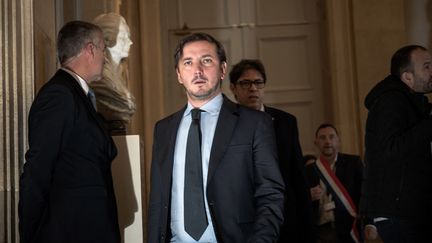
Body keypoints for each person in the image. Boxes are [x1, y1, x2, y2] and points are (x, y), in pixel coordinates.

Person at [147, 33, 285, 242]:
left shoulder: (255, 123)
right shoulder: (163, 129)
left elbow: (271, 194)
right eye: (188, 62)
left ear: (222, 70)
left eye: (207, 60)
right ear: (178, 74)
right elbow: (157, 201)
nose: (198, 70)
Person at [18, 21, 120, 243]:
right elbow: (37, 170)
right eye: (104, 49)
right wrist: (30, 234)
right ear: (90, 49)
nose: (106, 57)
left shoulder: (77, 95)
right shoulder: (59, 96)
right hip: (70, 232)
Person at [229, 59, 316, 243]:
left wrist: (308, 229)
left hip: (284, 219)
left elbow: (298, 176)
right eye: (245, 83)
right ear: (233, 88)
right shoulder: (224, 125)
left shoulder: (286, 122)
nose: (253, 88)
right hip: (241, 221)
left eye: (258, 82)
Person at [361, 44, 432, 243]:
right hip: (397, 214)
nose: (431, 71)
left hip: (411, 211)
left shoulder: (413, 103)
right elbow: (390, 151)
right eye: (426, 67)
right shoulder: (390, 101)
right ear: (408, 77)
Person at [307, 124, 363, 243]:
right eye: (322, 138)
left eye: (331, 137)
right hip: (320, 232)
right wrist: (308, 196)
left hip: (349, 230)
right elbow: (297, 202)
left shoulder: (353, 163)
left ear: (338, 140)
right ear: (316, 142)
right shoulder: (308, 170)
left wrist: (368, 223)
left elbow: (365, 194)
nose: (327, 141)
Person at [90, 13, 136, 134]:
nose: (130, 42)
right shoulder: (98, 83)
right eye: (123, 37)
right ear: (108, 40)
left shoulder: (120, 78)